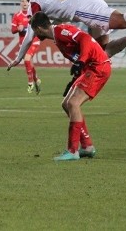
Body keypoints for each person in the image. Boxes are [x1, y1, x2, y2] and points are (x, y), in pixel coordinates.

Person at [29, 11, 110, 161]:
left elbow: (84, 38)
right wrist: (74, 79)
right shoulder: (58, 37)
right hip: (90, 68)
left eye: (34, 31)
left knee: (73, 103)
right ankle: (87, 146)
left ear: (39, 29)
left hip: (97, 67)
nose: (35, 35)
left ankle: (73, 150)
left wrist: (81, 61)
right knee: (67, 104)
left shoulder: (60, 31)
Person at [11, 0, 42, 94]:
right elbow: (13, 30)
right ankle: (36, 79)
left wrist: (23, 28)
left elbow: (38, 28)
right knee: (29, 63)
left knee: (27, 59)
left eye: (26, 1)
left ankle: (30, 83)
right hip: (23, 42)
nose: (24, 3)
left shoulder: (34, 14)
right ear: (20, 3)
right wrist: (17, 29)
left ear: (29, 3)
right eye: (22, 1)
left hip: (34, 40)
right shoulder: (17, 16)